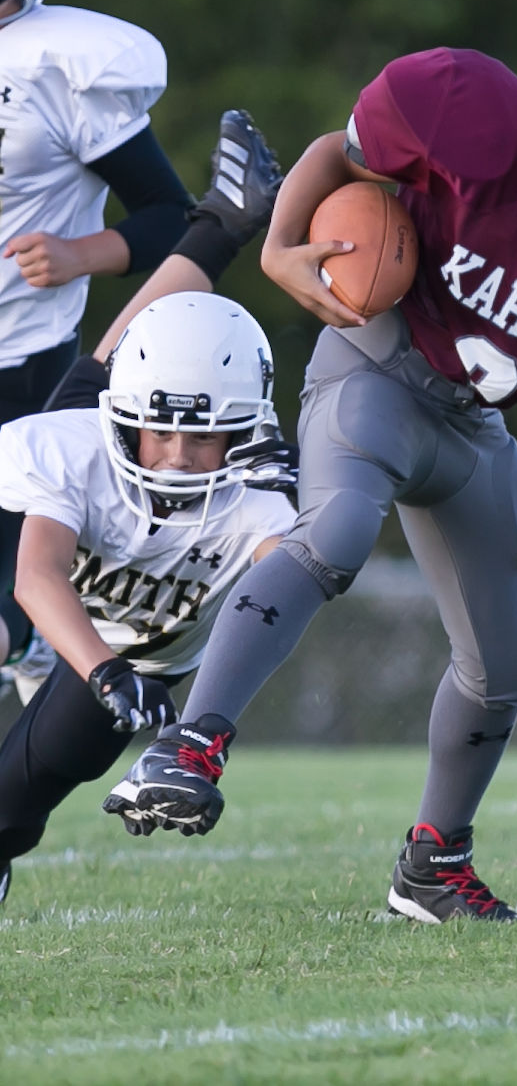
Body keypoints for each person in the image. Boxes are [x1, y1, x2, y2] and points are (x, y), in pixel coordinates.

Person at [106, 0, 517, 923]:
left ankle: (432, 863)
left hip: (472, 424)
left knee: (509, 658)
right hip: (379, 363)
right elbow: (343, 148)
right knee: (335, 527)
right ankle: (188, 746)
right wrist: (286, 245)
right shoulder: (480, 115)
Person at [0, 108, 295, 905]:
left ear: (247, 432)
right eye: (155, 431)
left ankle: (224, 223)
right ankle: (227, 225)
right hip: (94, 638)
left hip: (143, 657)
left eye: (203, 440)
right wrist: (100, 672)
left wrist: (193, 739)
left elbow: (281, 600)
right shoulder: (78, 443)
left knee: (11, 806)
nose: (174, 456)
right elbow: (36, 574)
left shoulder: (262, 501)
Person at [0, 0, 195, 700]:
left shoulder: (63, 66)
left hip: (23, 363)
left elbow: (169, 213)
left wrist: (82, 253)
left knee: (14, 582)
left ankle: (31, 637)